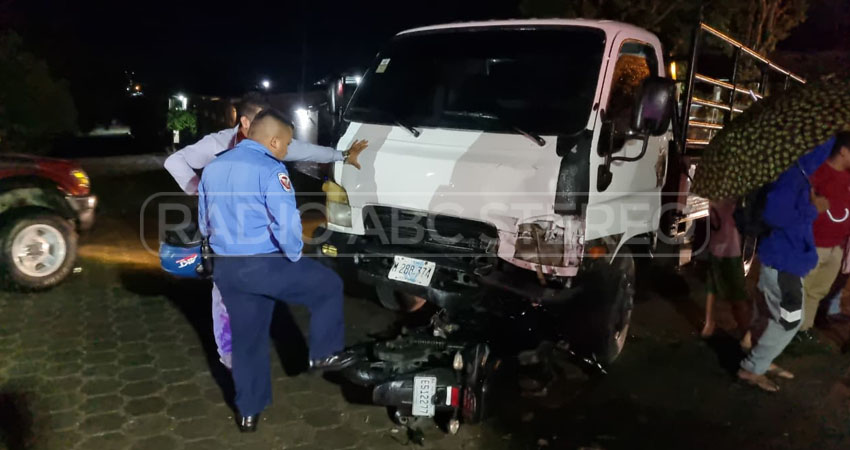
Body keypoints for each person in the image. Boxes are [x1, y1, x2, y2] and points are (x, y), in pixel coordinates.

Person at [164, 92, 368, 369]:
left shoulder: (270, 142)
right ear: (246, 122)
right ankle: (232, 359)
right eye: (261, 120)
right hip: (227, 237)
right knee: (225, 301)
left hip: (262, 242)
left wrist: (342, 155)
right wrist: (203, 191)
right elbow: (174, 162)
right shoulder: (217, 143)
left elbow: (304, 150)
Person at [199, 109, 356, 432]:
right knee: (327, 285)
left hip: (227, 270)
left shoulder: (214, 167)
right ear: (273, 141)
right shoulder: (271, 169)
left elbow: (204, 220)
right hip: (264, 264)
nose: (286, 151)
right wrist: (294, 255)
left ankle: (248, 413)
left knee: (247, 341)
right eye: (285, 144)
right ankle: (325, 353)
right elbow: (286, 222)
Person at [738, 137, 835, 392]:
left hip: (786, 262)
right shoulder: (791, 177)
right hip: (783, 266)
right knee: (789, 321)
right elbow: (775, 214)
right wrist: (813, 209)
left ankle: (761, 359)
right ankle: (752, 368)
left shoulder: (798, 174)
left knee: (770, 315)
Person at [801, 132, 850, 337]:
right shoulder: (817, 174)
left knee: (817, 292)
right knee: (802, 291)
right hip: (815, 244)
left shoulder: (847, 177)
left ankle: (805, 330)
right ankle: (791, 332)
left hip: (836, 247)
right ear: (843, 151)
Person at [701, 198, 750, 338]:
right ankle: (745, 331)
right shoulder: (735, 203)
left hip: (715, 248)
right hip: (731, 251)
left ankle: (709, 325)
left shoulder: (713, 197)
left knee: (712, 289)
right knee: (738, 294)